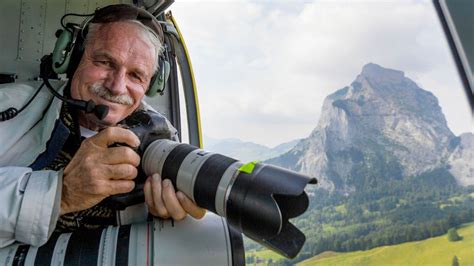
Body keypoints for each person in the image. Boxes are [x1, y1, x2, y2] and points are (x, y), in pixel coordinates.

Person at [0, 4, 205, 248]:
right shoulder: (8, 105)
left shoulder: (163, 139)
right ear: (74, 57)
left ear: (151, 85)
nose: (117, 87)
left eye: (135, 75)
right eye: (105, 62)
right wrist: (61, 193)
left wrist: (175, 222)